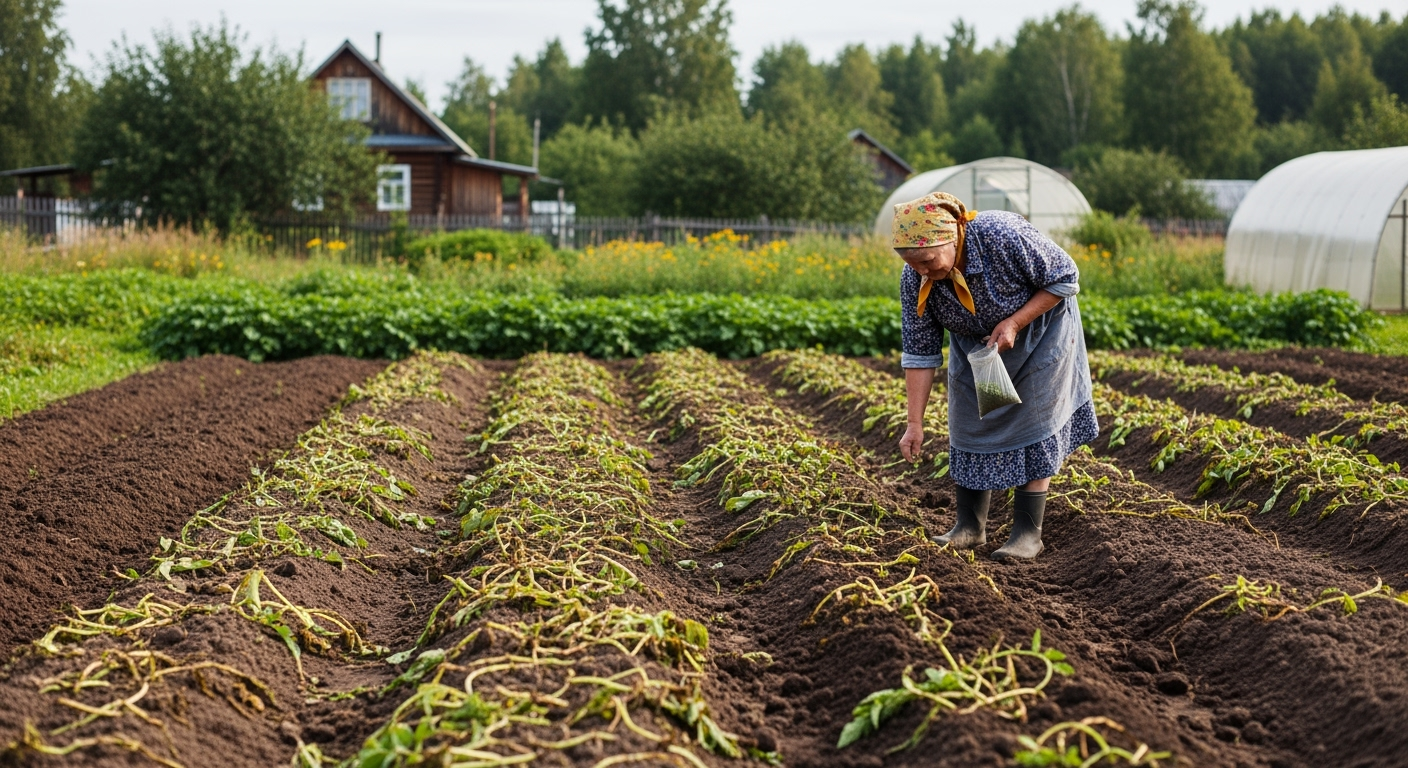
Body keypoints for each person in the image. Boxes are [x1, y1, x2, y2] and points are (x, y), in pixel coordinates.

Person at [893, 191, 1095, 561]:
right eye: (911, 264)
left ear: (952, 236)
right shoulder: (916, 279)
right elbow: (920, 353)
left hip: (1040, 336)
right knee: (969, 423)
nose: (921, 271)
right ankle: (969, 528)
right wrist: (914, 423)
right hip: (978, 348)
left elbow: (1065, 277)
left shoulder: (1001, 236)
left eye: (927, 260)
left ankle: (1027, 535)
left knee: (1035, 423)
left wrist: (1015, 322)